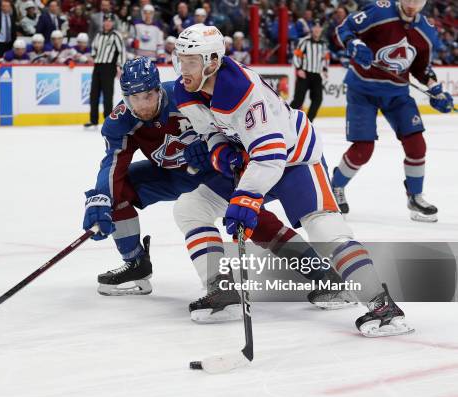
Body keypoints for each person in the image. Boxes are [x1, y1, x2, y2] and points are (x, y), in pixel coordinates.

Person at [173, 23, 414, 337]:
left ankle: (382, 307)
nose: (182, 68)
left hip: (295, 158)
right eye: (180, 59)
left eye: (190, 61)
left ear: (213, 61)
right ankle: (224, 292)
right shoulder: (185, 90)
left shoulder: (241, 89)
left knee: (326, 229)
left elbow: (271, 154)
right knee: (190, 208)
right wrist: (222, 154)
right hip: (252, 162)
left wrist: (246, 198)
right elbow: (211, 131)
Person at [83, 58, 352, 321]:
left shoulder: (183, 94)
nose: (142, 105)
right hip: (169, 176)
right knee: (114, 191)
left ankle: (322, 274)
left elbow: (234, 127)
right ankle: (135, 263)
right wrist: (100, 198)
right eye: (134, 98)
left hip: (215, 173)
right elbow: (113, 164)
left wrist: (215, 147)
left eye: (148, 96)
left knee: (254, 222)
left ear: (158, 88)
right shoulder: (120, 120)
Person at [331, 0, 454, 222]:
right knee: (363, 149)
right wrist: (354, 43)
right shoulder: (379, 11)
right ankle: (335, 186)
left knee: (417, 144)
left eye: (416, 2)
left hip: (397, 94)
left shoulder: (426, 29)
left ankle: (415, 196)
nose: (411, 5)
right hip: (363, 90)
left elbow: (421, 68)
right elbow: (343, 28)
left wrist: (435, 89)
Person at [84, 14, 126, 129]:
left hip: (109, 67)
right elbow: (94, 47)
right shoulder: (98, 34)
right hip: (97, 66)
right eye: (105, 21)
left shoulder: (116, 35)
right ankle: (93, 120)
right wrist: (93, 56)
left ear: (112, 23)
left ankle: (108, 120)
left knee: (107, 95)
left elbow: (121, 51)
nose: (107, 23)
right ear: (103, 23)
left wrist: (120, 66)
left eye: (109, 21)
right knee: (94, 94)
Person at [289, 19, 329, 122]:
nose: (316, 29)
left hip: (316, 75)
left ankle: (308, 122)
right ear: (312, 29)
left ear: (321, 29)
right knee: (298, 100)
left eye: (318, 27)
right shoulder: (304, 41)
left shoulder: (323, 44)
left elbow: (325, 58)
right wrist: (299, 69)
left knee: (318, 99)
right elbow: (297, 55)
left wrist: (325, 69)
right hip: (305, 74)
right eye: (315, 27)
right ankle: (286, 119)